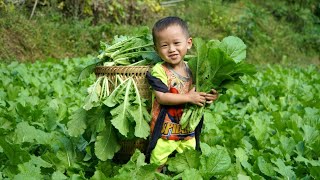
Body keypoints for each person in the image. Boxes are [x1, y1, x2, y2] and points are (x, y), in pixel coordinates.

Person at [145, 16, 218, 172]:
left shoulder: (194, 68)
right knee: (156, 160)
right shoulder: (159, 70)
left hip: (188, 131)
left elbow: (200, 93)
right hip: (165, 129)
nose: (171, 49)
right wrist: (188, 98)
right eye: (164, 45)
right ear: (157, 49)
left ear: (189, 43)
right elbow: (162, 97)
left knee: (189, 162)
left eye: (176, 43)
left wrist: (210, 97)